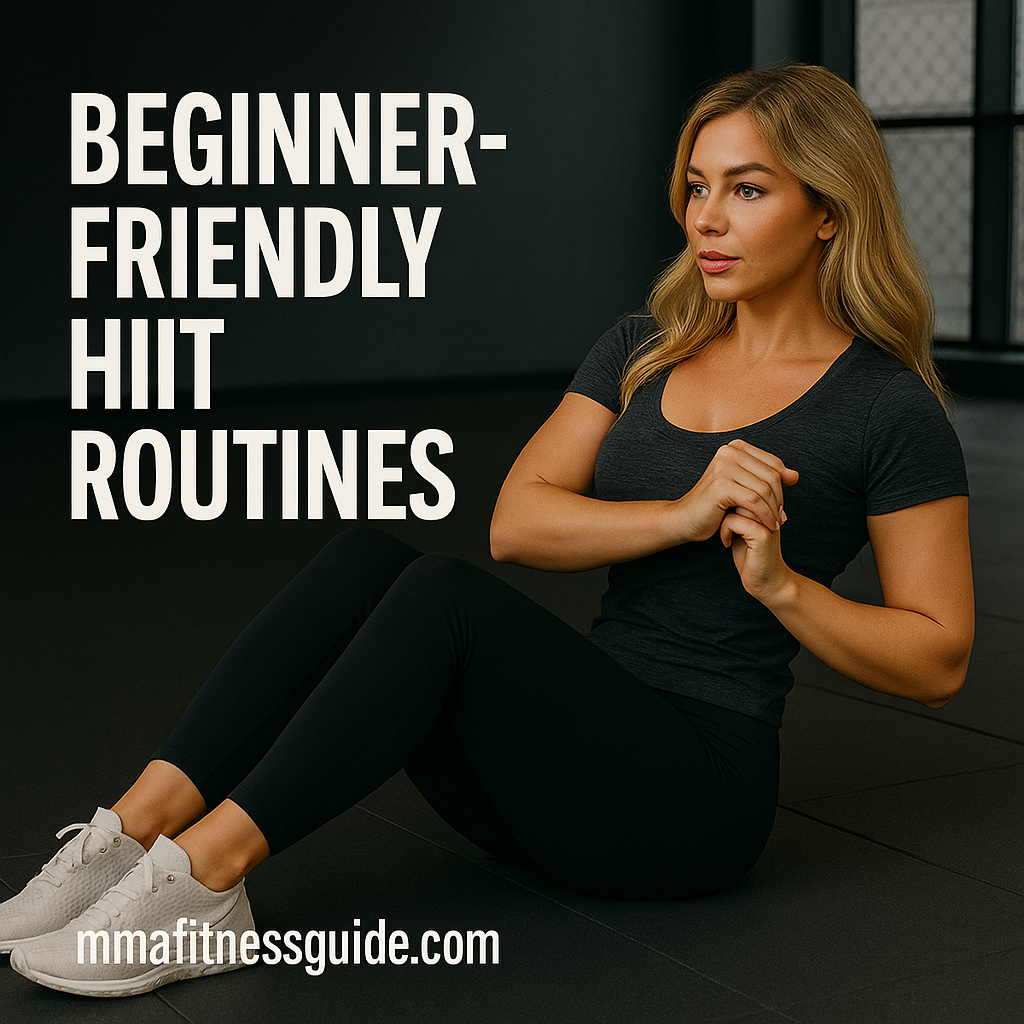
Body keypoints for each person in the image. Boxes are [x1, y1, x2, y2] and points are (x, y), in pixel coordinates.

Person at [2, 64, 973, 997]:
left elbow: (938, 660)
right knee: (367, 557)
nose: (705, 218)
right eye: (695, 186)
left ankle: (203, 884)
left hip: (690, 801)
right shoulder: (645, 347)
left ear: (829, 212)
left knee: (443, 599)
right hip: (559, 767)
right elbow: (518, 521)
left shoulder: (884, 407)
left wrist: (783, 587)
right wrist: (680, 515)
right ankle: (126, 839)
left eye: (746, 190)